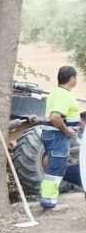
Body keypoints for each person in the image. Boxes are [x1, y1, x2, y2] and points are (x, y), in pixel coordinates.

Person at [39, 66, 80, 210]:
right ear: (72, 78)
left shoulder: (57, 92)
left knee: (54, 169)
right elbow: (55, 116)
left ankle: (48, 201)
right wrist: (66, 129)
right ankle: (49, 204)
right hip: (58, 135)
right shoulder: (64, 95)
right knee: (55, 170)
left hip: (54, 135)